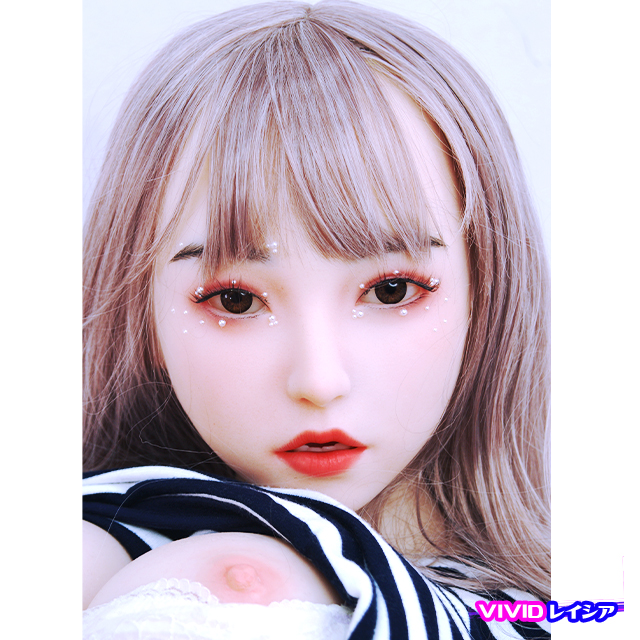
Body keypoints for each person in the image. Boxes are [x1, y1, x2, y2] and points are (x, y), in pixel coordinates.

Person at [83, 1, 550, 637]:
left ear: (487, 292)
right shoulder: (113, 542)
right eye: (235, 300)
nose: (320, 380)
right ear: (145, 312)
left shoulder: (547, 602)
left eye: (390, 290)